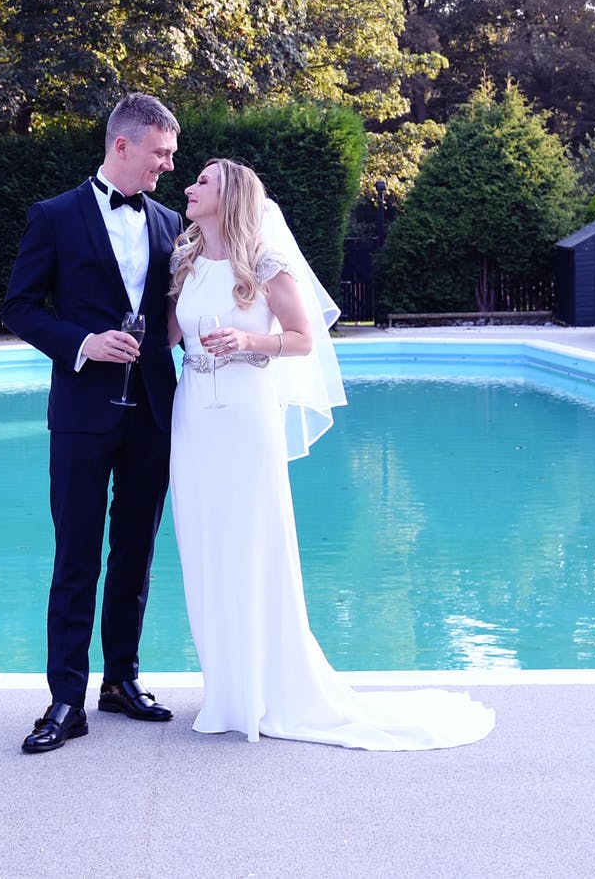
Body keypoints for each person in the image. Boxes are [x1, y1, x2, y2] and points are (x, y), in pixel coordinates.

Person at [167, 157, 494, 750]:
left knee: (252, 542)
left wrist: (245, 340)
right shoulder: (184, 259)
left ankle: (271, 690)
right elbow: (168, 333)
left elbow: (300, 339)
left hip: (245, 417)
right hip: (192, 418)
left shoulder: (264, 263)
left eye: (203, 181)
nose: (189, 186)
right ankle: (228, 690)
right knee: (203, 543)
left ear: (231, 196)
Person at [3, 94, 184, 754]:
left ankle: (121, 680)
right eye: (160, 154)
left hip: (155, 414)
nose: (167, 168)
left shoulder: (169, 223)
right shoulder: (52, 217)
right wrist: (83, 343)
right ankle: (64, 700)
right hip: (81, 414)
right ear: (123, 146)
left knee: (135, 554)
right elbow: (19, 307)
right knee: (76, 555)